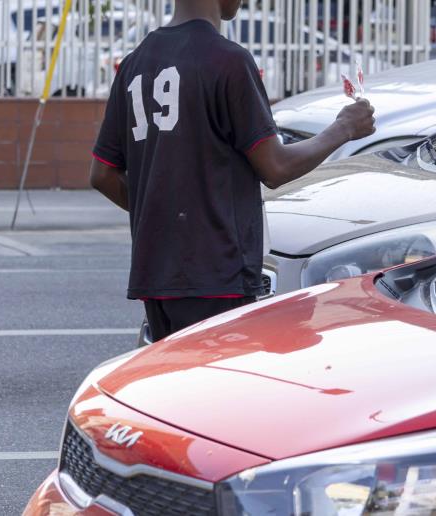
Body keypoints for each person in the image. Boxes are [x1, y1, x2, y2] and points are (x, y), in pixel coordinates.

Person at [90, 0, 376, 342]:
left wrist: (159, 214)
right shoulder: (228, 60)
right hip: (216, 273)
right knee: (214, 389)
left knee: (174, 385)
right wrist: (343, 128)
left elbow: (103, 174)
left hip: (155, 272)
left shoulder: (135, 63)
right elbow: (275, 166)